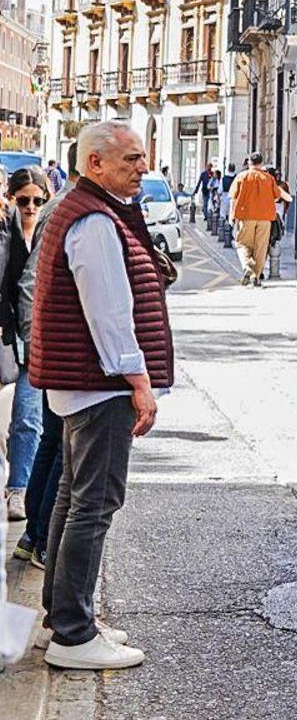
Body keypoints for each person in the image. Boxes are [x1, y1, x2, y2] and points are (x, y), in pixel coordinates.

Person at [32, 120, 174, 670]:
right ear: (96, 164)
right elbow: (109, 313)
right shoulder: (92, 220)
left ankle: (62, 617)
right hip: (99, 385)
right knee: (94, 503)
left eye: (143, 158)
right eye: (132, 159)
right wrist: (139, 381)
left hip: (81, 383)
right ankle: (73, 634)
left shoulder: (88, 209)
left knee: (73, 499)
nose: (143, 168)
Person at [13, 151, 76, 571]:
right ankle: (40, 542)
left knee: (49, 440)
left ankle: (33, 536)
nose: (139, 168)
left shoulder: (61, 207)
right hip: (54, 348)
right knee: (55, 445)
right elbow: (30, 281)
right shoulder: (69, 208)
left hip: (50, 346)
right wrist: (36, 341)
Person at [3, 168, 52, 523]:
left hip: (36, 336)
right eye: (24, 200)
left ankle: (19, 487)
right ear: (13, 199)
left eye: (38, 200)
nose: (31, 206)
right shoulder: (4, 232)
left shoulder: (52, 231)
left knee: (28, 414)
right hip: (6, 334)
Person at [230, 154, 278, 286]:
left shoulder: (241, 177)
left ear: (249, 162)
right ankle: (255, 277)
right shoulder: (269, 178)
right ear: (261, 163)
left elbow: (233, 198)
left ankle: (247, 266)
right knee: (260, 249)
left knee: (242, 244)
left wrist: (232, 216)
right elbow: (276, 197)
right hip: (265, 218)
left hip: (246, 216)